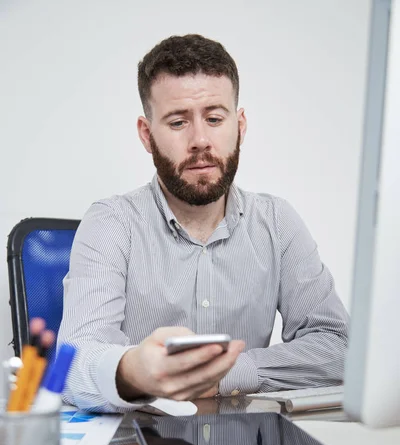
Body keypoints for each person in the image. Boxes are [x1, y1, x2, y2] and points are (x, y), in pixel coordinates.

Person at [58, 34, 349, 412]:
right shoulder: (111, 224)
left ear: (240, 126)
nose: (200, 140)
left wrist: (226, 374)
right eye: (178, 122)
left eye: (214, 118)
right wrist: (135, 372)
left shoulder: (277, 222)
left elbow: (337, 346)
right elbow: (73, 363)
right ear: (147, 135)